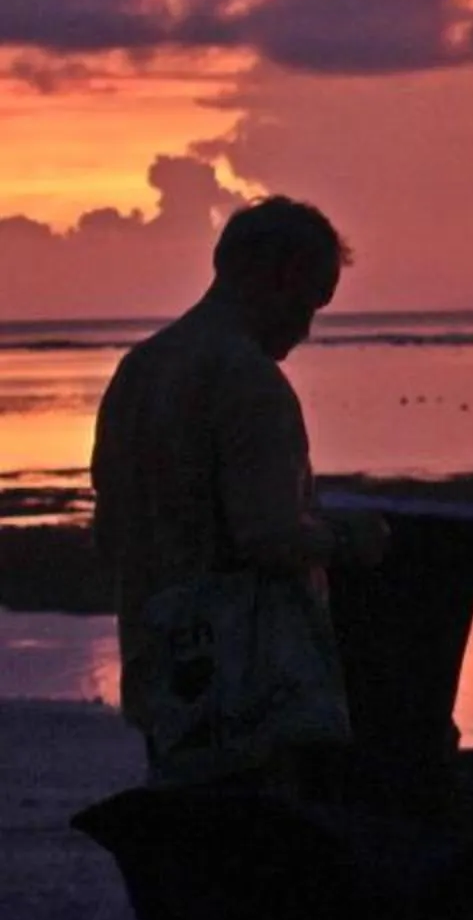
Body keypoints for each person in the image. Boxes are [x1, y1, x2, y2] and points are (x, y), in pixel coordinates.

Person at [90, 196, 384, 789]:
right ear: (278, 275)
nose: (309, 322)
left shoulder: (138, 370)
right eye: (314, 297)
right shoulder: (249, 380)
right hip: (246, 690)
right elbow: (269, 536)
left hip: (160, 669)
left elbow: (110, 528)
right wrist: (351, 539)